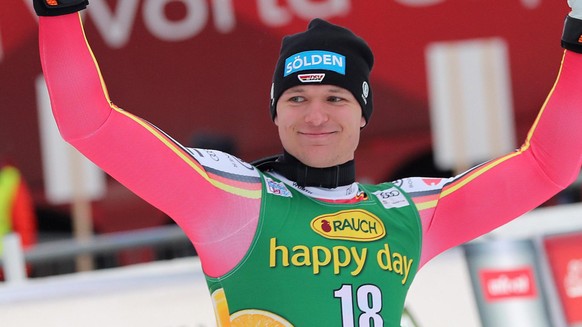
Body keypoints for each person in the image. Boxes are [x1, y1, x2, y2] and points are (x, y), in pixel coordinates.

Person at [33, 0, 582, 325]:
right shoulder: (231, 199)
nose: (315, 115)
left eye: (336, 99)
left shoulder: (411, 213)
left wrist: (579, 39)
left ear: (363, 113)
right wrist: (59, 14)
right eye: (297, 99)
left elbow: (547, 167)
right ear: (275, 114)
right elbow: (92, 126)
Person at [0, 160, 37, 279]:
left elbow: (24, 226)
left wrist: (22, 266)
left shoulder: (10, 179)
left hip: (6, 267)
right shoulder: (10, 179)